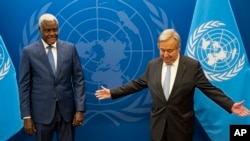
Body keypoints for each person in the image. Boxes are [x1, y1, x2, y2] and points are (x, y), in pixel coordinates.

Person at [95, 29, 250, 141]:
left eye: (170, 50)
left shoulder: (191, 66)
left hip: (181, 127)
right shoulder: (153, 65)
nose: (165, 55)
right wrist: (112, 92)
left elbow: (209, 89)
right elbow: (137, 83)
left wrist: (230, 105)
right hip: (158, 127)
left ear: (178, 48)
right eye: (162, 50)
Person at [19, 13, 86, 141]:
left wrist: (80, 109)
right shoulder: (29, 52)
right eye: (47, 30)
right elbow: (24, 86)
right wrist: (26, 116)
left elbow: (79, 81)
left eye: (55, 29)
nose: (52, 33)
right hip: (41, 113)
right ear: (40, 30)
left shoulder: (70, 49)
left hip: (67, 113)